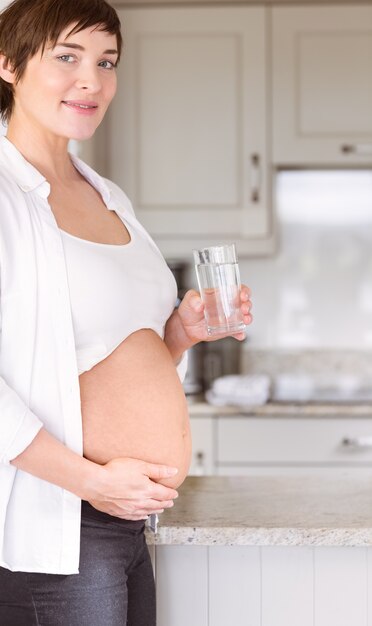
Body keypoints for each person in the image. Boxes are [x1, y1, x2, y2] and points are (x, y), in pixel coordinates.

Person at [0, 0, 253, 624]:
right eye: (66, 56)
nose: (92, 80)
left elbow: (105, 356)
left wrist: (179, 334)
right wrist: (90, 482)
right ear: (7, 64)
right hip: (61, 520)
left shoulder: (108, 195)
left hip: (126, 519)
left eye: (106, 61)